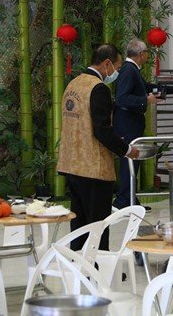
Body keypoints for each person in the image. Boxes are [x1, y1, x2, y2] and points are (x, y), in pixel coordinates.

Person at [57, 44, 140, 251]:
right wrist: (127, 149)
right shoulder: (98, 88)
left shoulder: (73, 84)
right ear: (107, 63)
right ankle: (98, 267)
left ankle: (79, 265)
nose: (116, 73)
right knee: (98, 223)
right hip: (93, 167)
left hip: (71, 164)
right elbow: (101, 129)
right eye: (117, 68)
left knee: (79, 221)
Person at [113, 38, 173, 210]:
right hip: (127, 122)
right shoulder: (128, 71)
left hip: (131, 121)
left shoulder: (133, 70)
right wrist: (145, 100)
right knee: (130, 159)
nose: (147, 55)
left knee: (133, 160)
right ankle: (123, 200)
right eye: (146, 52)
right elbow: (121, 98)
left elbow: (147, 87)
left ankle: (130, 199)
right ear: (141, 54)